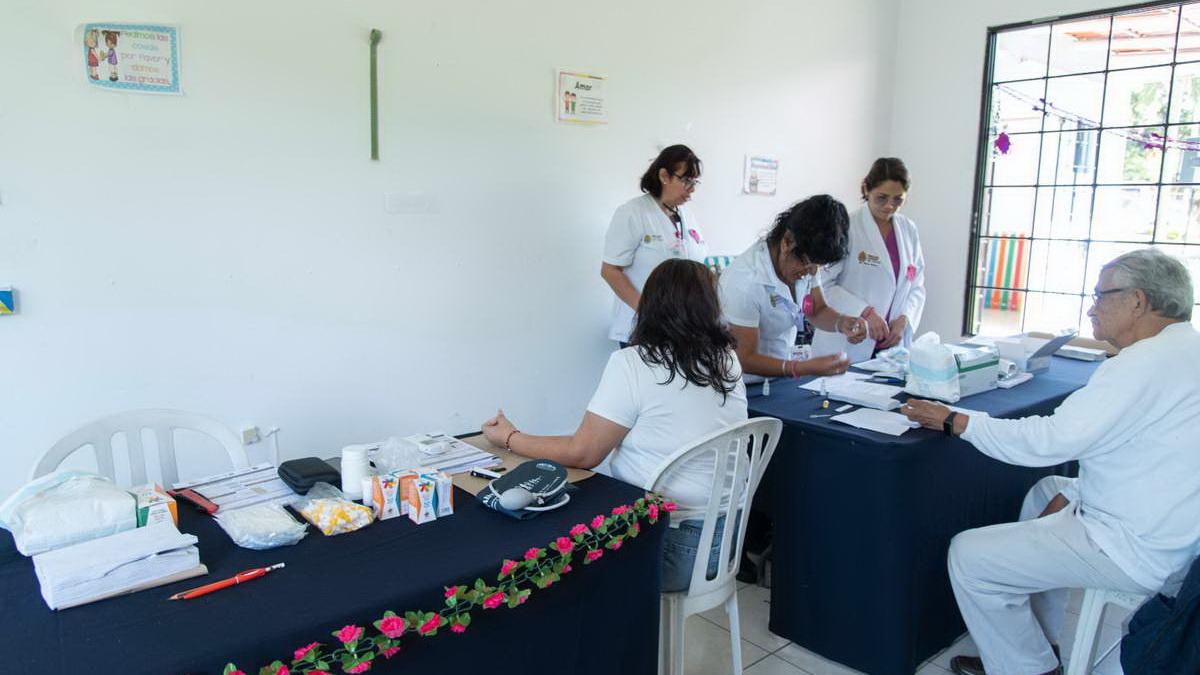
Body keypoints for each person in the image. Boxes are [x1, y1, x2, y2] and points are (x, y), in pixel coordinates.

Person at [901, 248, 1200, 675]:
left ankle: (1030, 668)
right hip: (1178, 527)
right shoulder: (1187, 347)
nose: (1092, 308)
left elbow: (1051, 441)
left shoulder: (1143, 364)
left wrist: (956, 421)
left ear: (1137, 301)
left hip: (1139, 547)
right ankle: (1039, 645)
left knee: (968, 555)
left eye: (1100, 296)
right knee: (1047, 491)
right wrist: (1076, 494)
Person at [483, 258, 747, 591]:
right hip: (726, 543)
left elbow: (583, 453)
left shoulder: (635, 363)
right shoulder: (727, 360)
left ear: (650, 305)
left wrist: (509, 437)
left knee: (548, 552)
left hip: (669, 547)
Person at [718, 194, 867, 381]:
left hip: (781, 375)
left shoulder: (807, 262)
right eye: (806, 263)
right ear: (787, 241)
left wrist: (842, 322)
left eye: (817, 266)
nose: (811, 272)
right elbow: (744, 358)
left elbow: (816, 310)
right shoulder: (744, 282)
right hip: (744, 383)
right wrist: (801, 368)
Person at [811, 157, 926, 363]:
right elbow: (823, 285)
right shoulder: (846, 227)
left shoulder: (908, 230)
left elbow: (916, 286)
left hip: (891, 343)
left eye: (898, 199)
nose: (889, 206)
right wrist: (865, 312)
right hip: (848, 341)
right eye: (882, 198)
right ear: (866, 189)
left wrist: (905, 319)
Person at [601, 145, 709, 346]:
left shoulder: (686, 215)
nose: (692, 189)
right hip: (642, 328)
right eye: (686, 180)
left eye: (694, 182)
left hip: (683, 327)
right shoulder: (633, 213)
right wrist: (647, 311)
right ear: (664, 176)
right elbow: (610, 271)